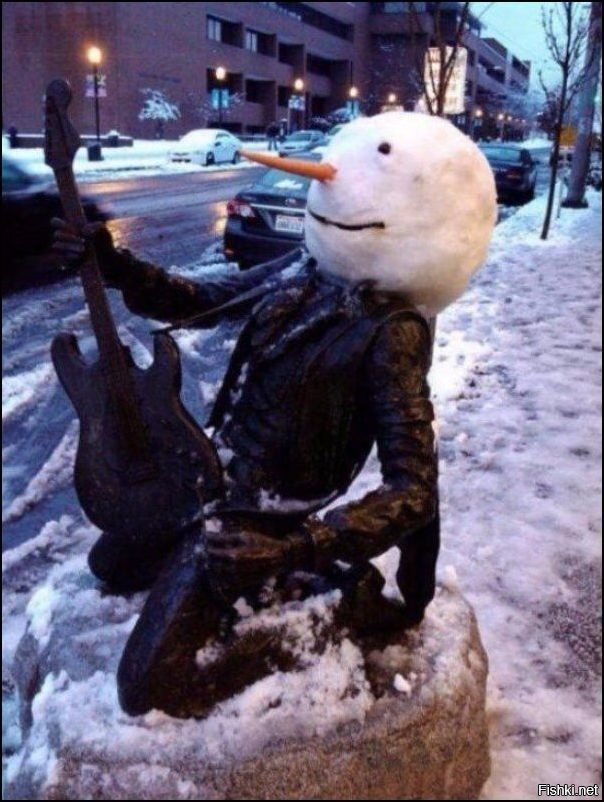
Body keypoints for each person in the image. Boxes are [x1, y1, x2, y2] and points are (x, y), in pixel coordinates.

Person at [52, 112, 497, 719]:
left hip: (267, 513)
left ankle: (318, 612)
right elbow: (204, 299)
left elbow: (414, 490)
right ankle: (267, 581)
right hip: (213, 473)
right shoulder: (308, 271)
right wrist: (115, 265)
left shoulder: (391, 332)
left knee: (147, 685)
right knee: (110, 563)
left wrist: (298, 547)